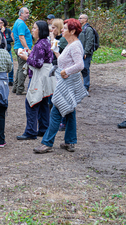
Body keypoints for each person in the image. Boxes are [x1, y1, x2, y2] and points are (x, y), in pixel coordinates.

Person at [34, 18, 88, 154]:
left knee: (55, 111)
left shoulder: (75, 45)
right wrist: (56, 51)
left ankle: (47, 143)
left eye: (65, 28)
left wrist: (66, 71)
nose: (61, 30)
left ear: (73, 30)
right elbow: (65, 61)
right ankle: (70, 142)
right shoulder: (71, 44)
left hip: (67, 83)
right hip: (66, 83)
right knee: (69, 111)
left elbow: (80, 65)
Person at [16, 21, 54, 140]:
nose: (32, 30)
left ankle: (31, 131)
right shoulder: (45, 42)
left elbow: (38, 64)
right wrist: (30, 53)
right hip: (46, 78)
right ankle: (43, 128)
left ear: (40, 30)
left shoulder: (40, 44)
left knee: (31, 102)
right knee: (43, 103)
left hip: (39, 78)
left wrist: (25, 57)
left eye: (34, 28)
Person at [12, 7, 33, 95]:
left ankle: (15, 88)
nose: (28, 14)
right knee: (23, 68)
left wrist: (16, 44)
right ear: (21, 14)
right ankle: (20, 89)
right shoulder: (21, 23)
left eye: (28, 13)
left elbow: (12, 34)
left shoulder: (18, 22)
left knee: (20, 68)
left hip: (19, 47)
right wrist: (27, 49)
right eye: (26, 13)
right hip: (22, 48)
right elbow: (21, 37)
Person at [78, 14, 95, 91]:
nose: (79, 19)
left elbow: (89, 41)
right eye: (79, 18)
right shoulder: (80, 28)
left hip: (86, 54)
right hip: (79, 52)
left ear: (85, 19)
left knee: (85, 69)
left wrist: (86, 52)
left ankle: (86, 86)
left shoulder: (88, 29)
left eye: (80, 18)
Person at [0, 18, 14, 86]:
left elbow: (11, 39)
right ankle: (2, 79)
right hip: (1, 51)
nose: (1, 24)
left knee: (11, 65)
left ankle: (11, 80)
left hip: (8, 50)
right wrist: (1, 32)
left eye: (2, 22)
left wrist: (4, 40)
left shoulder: (8, 30)